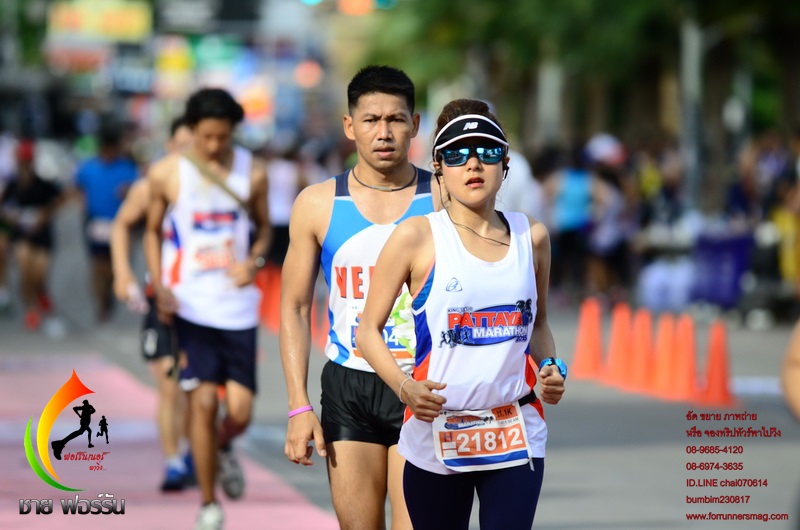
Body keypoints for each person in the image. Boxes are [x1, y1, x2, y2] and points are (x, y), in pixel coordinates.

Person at [355, 99, 566, 530]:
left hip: (514, 430)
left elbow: (539, 324)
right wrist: (405, 388)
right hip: (438, 432)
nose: (473, 164)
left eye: (487, 152)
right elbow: (368, 331)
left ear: (505, 164)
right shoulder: (417, 237)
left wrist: (549, 367)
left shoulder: (532, 236)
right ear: (438, 167)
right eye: (456, 154)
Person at [280, 65, 439, 530]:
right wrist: (298, 406)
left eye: (396, 120)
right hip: (350, 385)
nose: (383, 133)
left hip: (424, 385)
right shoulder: (318, 203)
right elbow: (294, 307)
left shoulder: (443, 198)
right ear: (350, 126)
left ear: (414, 124)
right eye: (371, 120)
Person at [144, 88, 271, 530]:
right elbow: (151, 230)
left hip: (237, 309)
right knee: (200, 403)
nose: (214, 145)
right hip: (191, 307)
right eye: (206, 137)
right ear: (193, 130)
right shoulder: (167, 173)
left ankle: (220, 446)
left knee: (239, 413)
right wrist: (159, 285)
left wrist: (254, 262)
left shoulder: (253, 173)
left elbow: (265, 229)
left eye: (223, 137)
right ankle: (208, 502)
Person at [110, 116, 195, 492]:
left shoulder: (220, 186)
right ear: (170, 145)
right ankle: (174, 461)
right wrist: (123, 274)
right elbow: (121, 224)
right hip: (161, 302)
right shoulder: (152, 185)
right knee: (169, 385)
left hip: (203, 305)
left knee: (197, 388)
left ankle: (197, 450)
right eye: (183, 144)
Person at [74, 125, 139, 322]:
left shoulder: (127, 168)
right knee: (98, 266)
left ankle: (109, 294)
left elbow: (139, 192)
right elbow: (78, 188)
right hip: (96, 223)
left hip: (120, 224)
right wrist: (84, 203)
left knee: (114, 266)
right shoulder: (88, 167)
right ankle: (102, 302)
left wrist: (129, 192)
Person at [0, 140, 63, 329]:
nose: (24, 165)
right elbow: (4, 209)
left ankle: (40, 291)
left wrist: (45, 214)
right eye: (22, 161)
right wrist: (11, 218)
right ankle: (30, 308)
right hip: (21, 235)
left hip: (42, 236)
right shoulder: (12, 185)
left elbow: (60, 199)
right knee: (25, 268)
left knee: (39, 272)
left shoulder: (43, 184)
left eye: (27, 161)